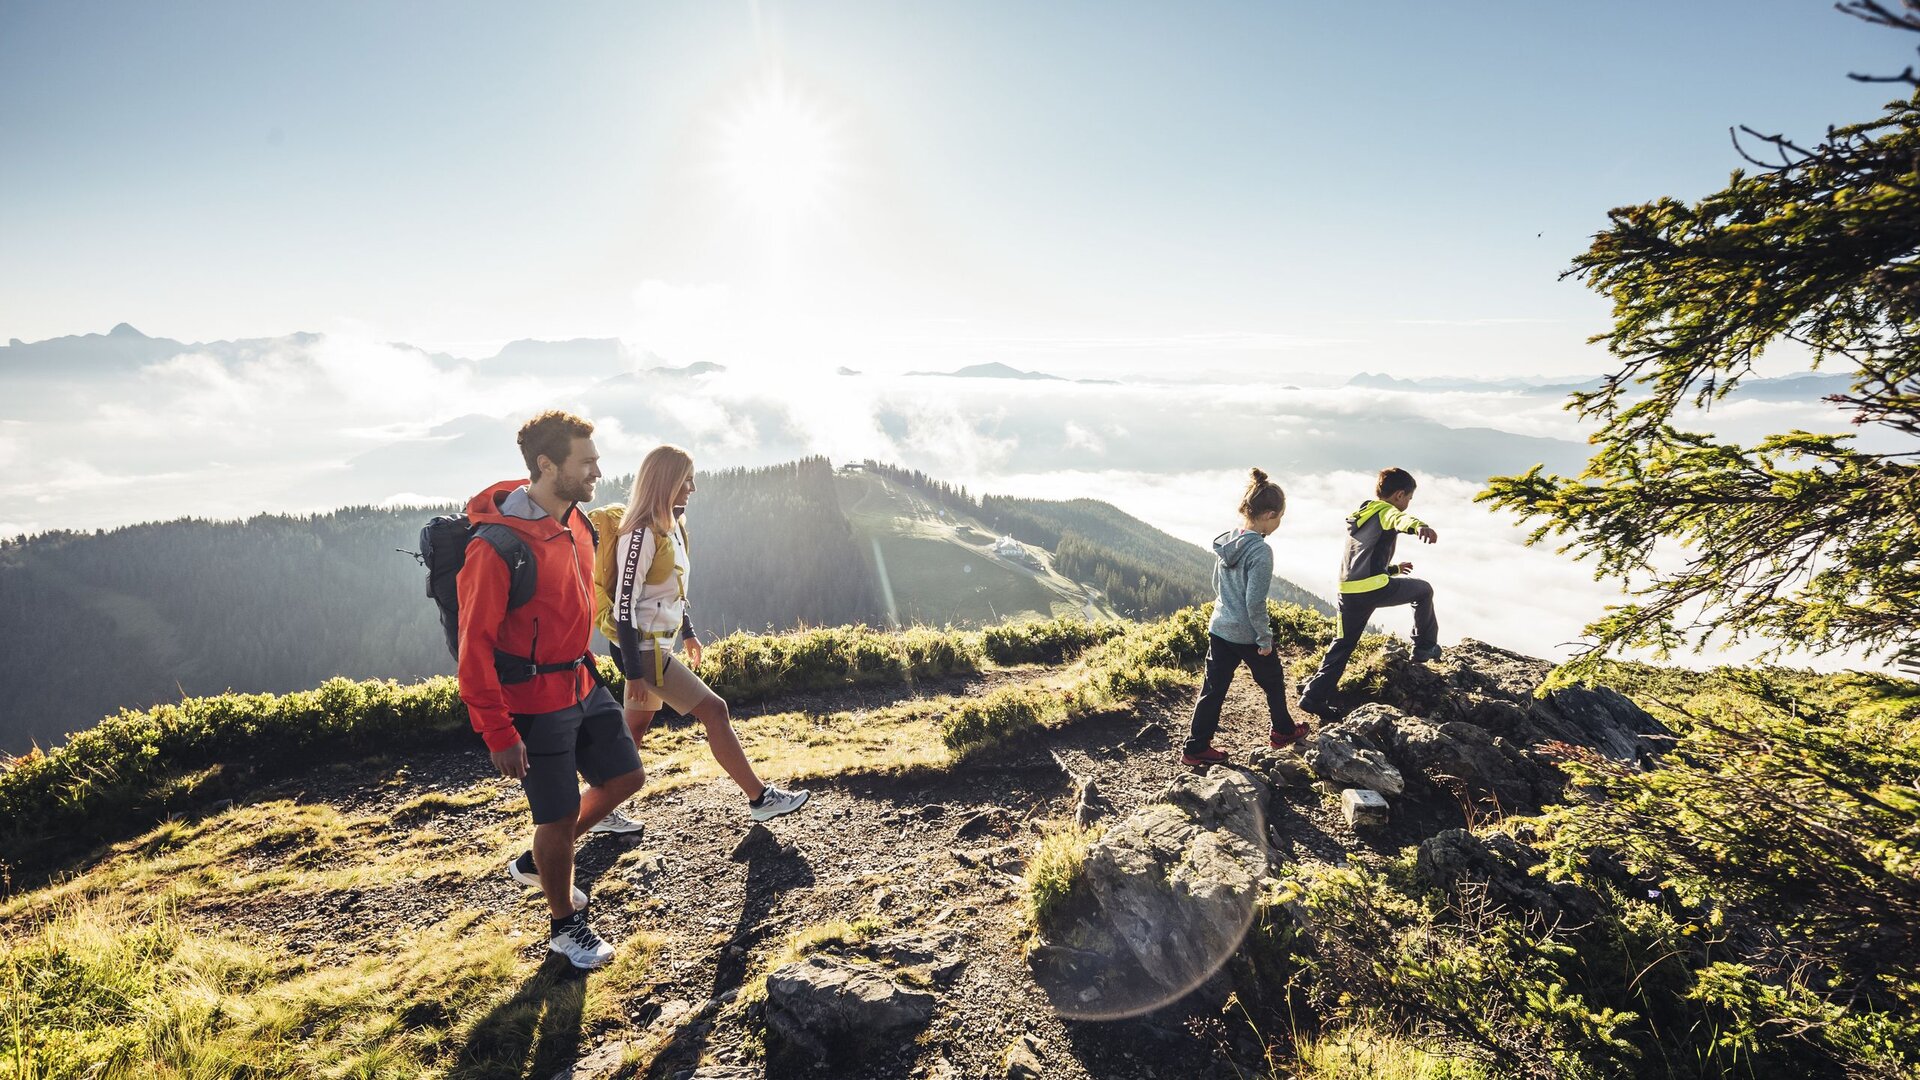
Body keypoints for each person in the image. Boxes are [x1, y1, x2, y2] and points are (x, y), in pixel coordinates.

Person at [457, 410, 642, 970]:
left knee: (627, 777)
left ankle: (541, 860)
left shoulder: (576, 521)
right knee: (556, 818)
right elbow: (473, 651)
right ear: (546, 465)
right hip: (534, 706)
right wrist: (498, 732)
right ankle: (565, 925)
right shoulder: (494, 548)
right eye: (585, 462)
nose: (596, 471)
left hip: (583, 681)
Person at [606, 444, 809, 822]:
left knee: (632, 731)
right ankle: (759, 798)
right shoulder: (639, 534)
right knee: (715, 711)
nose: (692, 489)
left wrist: (688, 632)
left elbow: (671, 589)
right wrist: (634, 673)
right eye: (686, 481)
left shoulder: (673, 526)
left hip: (657, 645)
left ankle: (600, 810)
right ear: (666, 482)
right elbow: (623, 606)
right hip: (642, 651)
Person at [1182, 468, 1306, 766]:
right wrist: (1264, 638)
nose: (1278, 524)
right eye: (1279, 518)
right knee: (1273, 680)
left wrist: (1228, 608)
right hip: (1246, 633)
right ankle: (1282, 731)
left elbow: (1217, 585)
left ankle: (1196, 748)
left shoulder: (1228, 542)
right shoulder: (1260, 551)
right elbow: (1254, 601)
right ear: (1268, 514)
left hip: (1220, 626)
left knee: (1213, 688)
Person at [1297, 467, 1440, 718]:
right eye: (1408, 498)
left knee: (1343, 645)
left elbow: (1363, 559)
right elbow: (1399, 520)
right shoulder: (1387, 511)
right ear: (1398, 495)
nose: (1407, 503)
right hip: (1372, 589)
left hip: (1348, 590)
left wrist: (1394, 568)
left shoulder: (1363, 514)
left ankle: (1313, 697)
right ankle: (1424, 647)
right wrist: (1419, 526)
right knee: (1424, 591)